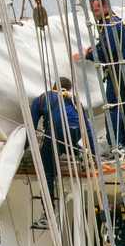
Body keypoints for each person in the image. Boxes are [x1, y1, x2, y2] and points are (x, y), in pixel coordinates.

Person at [75, 0, 125, 153]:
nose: (94, 14)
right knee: (124, 104)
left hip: (120, 70)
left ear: (105, 8)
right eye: (92, 11)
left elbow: (106, 51)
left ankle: (116, 144)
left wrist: (87, 56)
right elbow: (106, 43)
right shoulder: (112, 21)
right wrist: (94, 47)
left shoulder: (109, 24)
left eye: (96, 10)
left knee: (113, 106)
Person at [31, 77, 96, 206]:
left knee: (48, 172)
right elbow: (86, 127)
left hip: (56, 134)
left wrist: (25, 147)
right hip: (75, 132)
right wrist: (93, 153)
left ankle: (48, 211)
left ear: (53, 87)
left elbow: (31, 126)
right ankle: (80, 152)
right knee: (63, 143)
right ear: (69, 89)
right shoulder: (74, 100)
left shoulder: (42, 99)